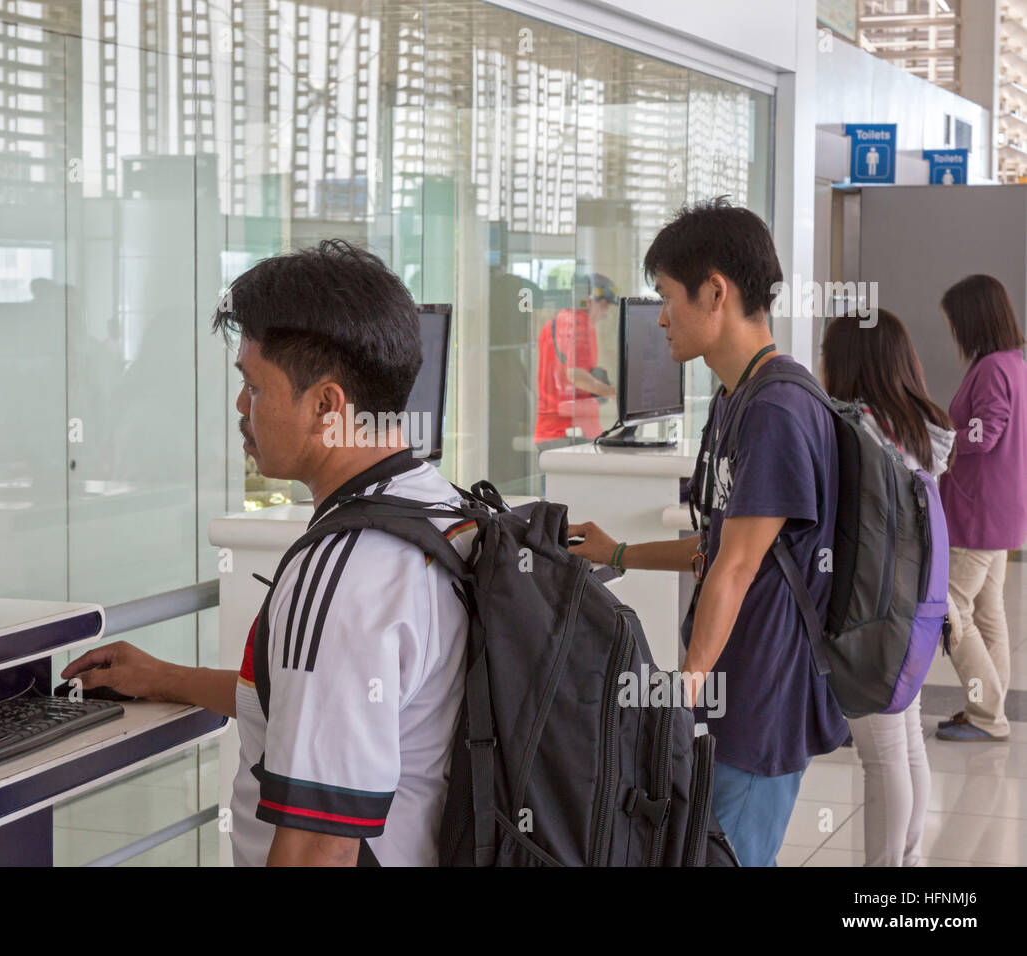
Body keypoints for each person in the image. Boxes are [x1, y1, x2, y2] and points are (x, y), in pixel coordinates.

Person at [63, 240, 473, 866]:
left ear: (328, 406)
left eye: (254, 386)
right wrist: (167, 679)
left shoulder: (345, 573)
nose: (240, 407)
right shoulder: (437, 507)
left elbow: (319, 846)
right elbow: (325, 700)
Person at [567, 198, 848, 867]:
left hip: (759, 704)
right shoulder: (735, 398)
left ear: (715, 292)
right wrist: (620, 552)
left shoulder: (778, 408)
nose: (660, 317)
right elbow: (720, 547)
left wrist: (684, 688)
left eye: (667, 296)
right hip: (732, 693)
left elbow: (738, 568)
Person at [820, 309, 954, 866]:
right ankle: (909, 862)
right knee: (906, 739)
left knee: (881, 756)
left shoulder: (861, 435)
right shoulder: (920, 432)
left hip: (876, 615)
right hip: (918, 607)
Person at [934, 274, 1027, 743]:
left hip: (977, 513)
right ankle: (985, 710)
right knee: (988, 614)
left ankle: (987, 713)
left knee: (949, 611)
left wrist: (946, 441)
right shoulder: (1014, 363)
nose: (954, 332)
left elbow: (985, 433)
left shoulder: (992, 368)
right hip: (1001, 511)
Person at [533, 273, 618, 443]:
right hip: (572, 432)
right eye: (605, 306)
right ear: (593, 301)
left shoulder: (553, 323)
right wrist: (612, 393)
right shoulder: (581, 325)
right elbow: (576, 375)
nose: (604, 314)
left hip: (548, 431)